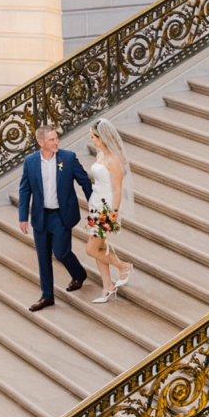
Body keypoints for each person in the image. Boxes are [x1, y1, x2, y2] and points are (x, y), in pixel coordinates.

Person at [18, 124, 93, 311]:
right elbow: (25, 189)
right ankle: (47, 296)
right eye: (51, 139)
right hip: (40, 216)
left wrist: (95, 206)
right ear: (40, 142)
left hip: (61, 215)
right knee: (43, 258)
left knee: (61, 252)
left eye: (56, 138)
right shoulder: (30, 162)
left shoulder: (68, 158)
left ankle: (79, 273)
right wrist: (23, 217)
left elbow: (84, 181)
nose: (56, 142)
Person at [84, 117, 134, 303]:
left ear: (103, 138)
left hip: (106, 208)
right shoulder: (99, 156)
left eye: (93, 137)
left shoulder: (114, 160)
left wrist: (113, 213)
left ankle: (123, 266)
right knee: (99, 247)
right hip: (96, 204)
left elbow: (117, 189)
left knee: (91, 249)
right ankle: (107, 285)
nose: (92, 140)